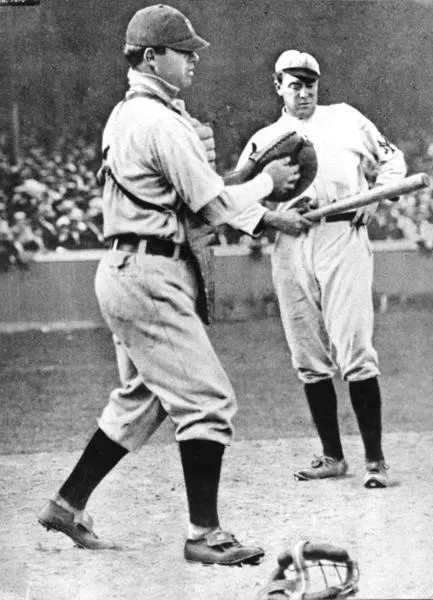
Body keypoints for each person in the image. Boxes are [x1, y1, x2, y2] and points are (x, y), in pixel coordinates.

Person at [37, 6, 310, 565]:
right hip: (150, 271)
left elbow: (191, 201)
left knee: (146, 397)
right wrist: (268, 183)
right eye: (183, 52)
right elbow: (210, 205)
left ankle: (68, 503)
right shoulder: (160, 122)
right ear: (150, 57)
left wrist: (262, 210)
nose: (192, 60)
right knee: (209, 400)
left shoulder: (129, 115)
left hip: (131, 267)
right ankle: (204, 533)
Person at [236, 50, 407, 488]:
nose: (304, 90)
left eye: (310, 82)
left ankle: (375, 462)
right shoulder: (264, 139)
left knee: (355, 348)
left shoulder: (346, 118)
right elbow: (236, 199)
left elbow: (392, 161)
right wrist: (270, 216)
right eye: (294, 83)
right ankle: (332, 456)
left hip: (342, 235)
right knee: (308, 356)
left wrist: (375, 197)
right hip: (291, 241)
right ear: (278, 86)